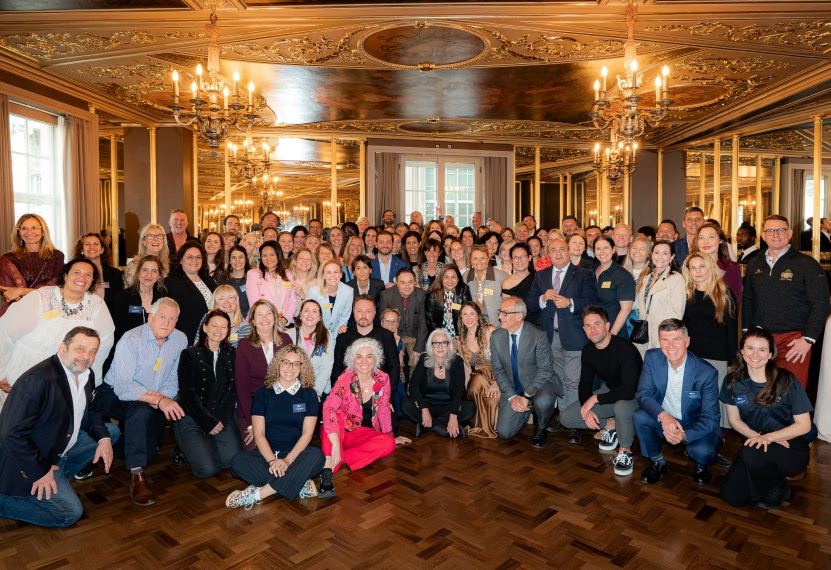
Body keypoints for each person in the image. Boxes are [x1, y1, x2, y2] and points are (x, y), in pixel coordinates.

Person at [0, 327, 119, 528]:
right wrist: (40, 470)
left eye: (92, 351)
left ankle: (57, 479)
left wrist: (103, 439)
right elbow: (11, 434)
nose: (86, 356)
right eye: (80, 349)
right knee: (69, 514)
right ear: (63, 348)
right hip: (28, 460)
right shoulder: (37, 380)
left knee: (111, 433)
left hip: (58, 447)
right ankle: (10, 499)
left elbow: (91, 411)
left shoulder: (86, 374)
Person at [95, 298, 187, 506]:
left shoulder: (180, 339)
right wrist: (160, 400)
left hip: (151, 396)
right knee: (139, 411)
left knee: (150, 453)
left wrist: (162, 397)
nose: (167, 322)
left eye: (172, 318)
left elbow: (173, 378)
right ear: (151, 317)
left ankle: (103, 444)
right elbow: (124, 387)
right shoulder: (131, 339)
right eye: (162, 317)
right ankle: (137, 476)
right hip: (113, 393)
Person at [719, 328, 816, 510]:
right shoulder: (732, 382)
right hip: (756, 440)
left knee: (748, 454)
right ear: (742, 351)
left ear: (770, 353)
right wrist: (757, 437)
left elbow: (804, 425)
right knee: (731, 495)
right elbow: (734, 420)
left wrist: (770, 438)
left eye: (762, 349)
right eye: (750, 348)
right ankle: (769, 479)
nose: (755, 354)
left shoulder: (786, 380)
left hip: (791, 445)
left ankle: (778, 486)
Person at [0, 258, 115, 408]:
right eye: (77, 272)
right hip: (23, 376)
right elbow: (5, 332)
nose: (82, 277)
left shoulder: (96, 305)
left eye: (88, 274)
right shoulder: (41, 297)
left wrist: (89, 377)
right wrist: (2, 373)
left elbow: (104, 344)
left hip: (67, 383)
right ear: (66, 275)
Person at [226, 345, 325, 508]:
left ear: (301, 368)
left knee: (317, 456)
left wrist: (287, 461)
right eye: (286, 362)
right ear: (278, 364)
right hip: (267, 455)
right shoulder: (262, 394)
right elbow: (259, 434)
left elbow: (307, 434)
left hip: (296, 455)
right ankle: (298, 482)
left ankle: (256, 494)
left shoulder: (309, 395)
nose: (290, 368)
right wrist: (273, 460)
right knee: (237, 462)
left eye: (296, 364)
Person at [742, 215, 831, 388]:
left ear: (789, 233)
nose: (776, 234)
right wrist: (748, 334)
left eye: (781, 230)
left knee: (791, 394)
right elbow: (748, 300)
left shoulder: (807, 264)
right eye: (770, 230)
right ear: (763, 235)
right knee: (761, 392)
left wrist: (808, 339)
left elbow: (822, 303)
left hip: (794, 341)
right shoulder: (754, 263)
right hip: (761, 341)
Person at [633, 319, 721, 486]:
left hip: (695, 423)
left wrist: (684, 434)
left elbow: (711, 417)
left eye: (676, 339)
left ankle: (702, 466)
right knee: (639, 416)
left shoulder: (706, 373)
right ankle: (658, 461)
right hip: (667, 417)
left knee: (703, 452)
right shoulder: (652, 357)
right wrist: (663, 415)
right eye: (665, 340)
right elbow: (643, 394)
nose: (670, 345)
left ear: (687, 341)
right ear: (659, 341)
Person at [319, 338, 410, 497]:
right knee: (332, 458)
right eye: (359, 356)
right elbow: (328, 408)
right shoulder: (345, 378)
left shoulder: (383, 379)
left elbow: (383, 409)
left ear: (375, 358)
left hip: (359, 431)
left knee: (389, 444)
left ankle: (340, 457)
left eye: (369, 356)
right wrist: (334, 441)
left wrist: (388, 434)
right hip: (337, 428)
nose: (364, 361)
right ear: (352, 359)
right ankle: (327, 471)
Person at [559, 307, 642, 476]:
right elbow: (585, 384)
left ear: (607, 325)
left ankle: (625, 450)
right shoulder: (588, 351)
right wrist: (586, 409)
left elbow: (628, 390)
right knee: (566, 418)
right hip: (610, 392)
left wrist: (595, 399)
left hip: (635, 396)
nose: (593, 329)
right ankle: (611, 426)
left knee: (621, 408)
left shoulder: (625, 348)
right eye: (588, 326)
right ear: (584, 329)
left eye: (597, 324)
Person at [527, 238, 597, 421]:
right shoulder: (541, 275)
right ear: (548, 254)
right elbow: (529, 303)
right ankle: (563, 418)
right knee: (558, 381)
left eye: (562, 249)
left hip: (574, 336)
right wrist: (542, 298)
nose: (558, 253)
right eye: (553, 250)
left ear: (568, 251)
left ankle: (572, 421)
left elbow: (591, 302)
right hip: (550, 337)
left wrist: (570, 303)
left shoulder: (583, 274)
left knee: (573, 381)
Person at [174, 310, 241, 478]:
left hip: (219, 415)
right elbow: (188, 394)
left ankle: (206, 444)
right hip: (193, 417)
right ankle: (184, 448)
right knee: (208, 470)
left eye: (223, 326)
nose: (218, 329)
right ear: (204, 328)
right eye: (214, 325)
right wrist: (207, 422)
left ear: (228, 331)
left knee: (230, 461)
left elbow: (233, 392)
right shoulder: (189, 354)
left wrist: (221, 420)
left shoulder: (231, 355)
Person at [490, 297, 561, 447]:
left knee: (542, 400)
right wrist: (512, 397)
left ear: (519, 316)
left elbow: (545, 370)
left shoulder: (538, 335)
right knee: (504, 432)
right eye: (500, 312)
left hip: (539, 384)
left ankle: (540, 428)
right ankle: (526, 411)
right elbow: (498, 369)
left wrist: (526, 395)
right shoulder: (496, 336)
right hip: (514, 388)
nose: (499, 316)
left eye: (504, 313)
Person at [683, 252, 737, 431]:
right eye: (693, 267)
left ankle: (716, 437)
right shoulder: (686, 294)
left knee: (715, 400)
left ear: (710, 267)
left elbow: (731, 330)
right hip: (693, 355)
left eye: (702, 266)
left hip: (718, 356)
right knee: (695, 398)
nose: (698, 271)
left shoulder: (724, 293)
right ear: (688, 271)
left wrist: (731, 360)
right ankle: (696, 434)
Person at [235, 300, 292, 451]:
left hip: (281, 405)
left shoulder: (286, 340)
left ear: (275, 317)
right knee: (254, 449)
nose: (265, 318)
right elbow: (242, 387)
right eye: (259, 314)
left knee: (284, 445)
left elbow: (293, 377)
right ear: (253, 320)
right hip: (253, 406)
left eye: (268, 313)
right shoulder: (244, 345)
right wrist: (252, 423)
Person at [331, 295, 401, 416]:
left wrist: (388, 398)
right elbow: (337, 368)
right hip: (350, 396)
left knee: (391, 425)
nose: (363, 316)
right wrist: (340, 397)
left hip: (379, 394)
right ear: (353, 312)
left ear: (374, 313)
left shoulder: (386, 336)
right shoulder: (344, 336)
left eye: (368, 311)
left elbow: (394, 368)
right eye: (359, 311)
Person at [401, 329, 475, 438]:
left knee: (470, 407)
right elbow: (414, 386)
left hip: (448, 407)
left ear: (449, 345)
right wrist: (424, 409)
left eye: (443, 343)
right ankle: (443, 430)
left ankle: (427, 426)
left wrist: (453, 415)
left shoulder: (457, 361)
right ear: (431, 346)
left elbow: (459, 390)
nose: (440, 347)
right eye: (435, 343)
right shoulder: (424, 359)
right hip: (427, 405)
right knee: (405, 403)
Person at [0, 213, 64, 317]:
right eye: (24, 228)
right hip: (19, 311)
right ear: (19, 232)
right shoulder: (7, 259)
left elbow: (57, 289)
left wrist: (22, 290)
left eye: (35, 228)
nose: (29, 232)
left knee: (57, 327)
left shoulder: (57, 256)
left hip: (51, 311)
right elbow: (9, 293)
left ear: (43, 231)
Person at [633, 240, 685, 355]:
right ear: (651, 255)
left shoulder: (676, 279)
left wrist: (666, 334)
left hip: (664, 334)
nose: (660, 256)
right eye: (656, 252)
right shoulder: (647, 277)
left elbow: (677, 312)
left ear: (672, 257)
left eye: (665, 253)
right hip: (645, 333)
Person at [457, 302, 499, 438]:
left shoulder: (490, 330)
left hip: (497, 373)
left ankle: (491, 427)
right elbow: (467, 369)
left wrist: (498, 382)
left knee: (493, 397)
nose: (468, 318)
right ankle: (479, 425)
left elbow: (504, 359)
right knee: (475, 385)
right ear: (461, 318)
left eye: (472, 314)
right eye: (465, 314)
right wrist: (468, 392)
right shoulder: (461, 340)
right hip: (478, 376)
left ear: (478, 316)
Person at [165, 240, 217, 345]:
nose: (194, 260)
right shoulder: (171, 283)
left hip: (210, 336)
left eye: (198, 257)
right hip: (185, 338)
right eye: (189, 257)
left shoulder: (209, 280)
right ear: (180, 260)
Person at [379, 268, 428, 377]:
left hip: (414, 335)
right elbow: (384, 324)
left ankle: (413, 389)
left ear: (414, 282)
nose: (407, 286)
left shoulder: (421, 295)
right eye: (403, 282)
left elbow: (423, 323)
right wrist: (396, 346)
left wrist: (418, 348)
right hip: (394, 335)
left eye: (410, 282)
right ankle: (399, 389)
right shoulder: (386, 295)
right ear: (396, 283)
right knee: (396, 362)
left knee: (416, 362)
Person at [110, 254, 165, 348]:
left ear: (159, 275)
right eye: (145, 270)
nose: (149, 275)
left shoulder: (164, 298)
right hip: (128, 349)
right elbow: (117, 331)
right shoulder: (123, 297)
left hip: (156, 349)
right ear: (138, 273)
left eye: (154, 271)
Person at [245, 240, 294, 331]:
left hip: (285, 324)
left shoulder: (287, 274)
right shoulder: (253, 274)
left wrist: (284, 319)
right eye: (264, 255)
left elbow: (292, 301)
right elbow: (255, 303)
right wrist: (273, 322)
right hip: (262, 323)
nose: (268, 258)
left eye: (272, 255)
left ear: (278, 255)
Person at [592, 236, 635, 337]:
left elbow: (626, 309)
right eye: (598, 248)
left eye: (606, 248)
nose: (602, 252)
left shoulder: (622, 275)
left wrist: (611, 335)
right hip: (595, 331)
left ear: (613, 249)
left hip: (615, 331)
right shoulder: (591, 271)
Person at [690, 222, 742, 301]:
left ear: (720, 240)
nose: (705, 241)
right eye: (701, 238)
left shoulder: (731, 267)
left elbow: (735, 302)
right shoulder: (689, 267)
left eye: (711, 237)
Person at [293, 300, 334, 398]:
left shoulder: (327, 335)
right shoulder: (290, 334)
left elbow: (326, 368)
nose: (310, 314)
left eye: (315, 311)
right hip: (294, 388)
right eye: (306, 310)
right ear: (300, 314)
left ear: (320, 317)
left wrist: (315, 392)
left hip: (318, 389)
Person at [74, 232, 123, 312]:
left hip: (108, 318)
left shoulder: (115, 274)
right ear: (81, 250)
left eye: (96, 244)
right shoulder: (74, 274)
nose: (92, 247)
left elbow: (119, 302)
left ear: (102, 250)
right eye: (87, 244)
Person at [307, 259, 353, 341]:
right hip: (315, 332)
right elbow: (308, 316)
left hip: (337, 334)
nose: (333, 276)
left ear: (341, 274)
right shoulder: (313, 291)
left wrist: (333, 339)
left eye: (336, 272)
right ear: (323, 275)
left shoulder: (348, 291)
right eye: (328, 272)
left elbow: (344, 318)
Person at [193, 284, 251, 349]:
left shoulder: (244, 326)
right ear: (215, 304)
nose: (226, 302)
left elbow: (241, 352)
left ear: (236, 302)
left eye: (230, 297)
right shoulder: (207, 317)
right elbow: (197, 342)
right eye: (221, 298)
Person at [425, 265, 471, 339]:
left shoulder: (463, 290)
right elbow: (430, 321)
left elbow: (467, 316)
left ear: (458, 279)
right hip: (438, 335)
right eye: (446, 277)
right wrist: (441, 338)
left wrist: (459, 338)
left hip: (459, 336)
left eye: (453, 277)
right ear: (441, 279)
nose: (450, 281)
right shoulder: (432, 294)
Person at [465, 244, 507, 324]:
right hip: (474, 323)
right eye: (475, 258)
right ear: (470, 260)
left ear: (488, 259)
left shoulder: (501, 276)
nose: (479, 262)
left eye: (482, 258)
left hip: (496, 323)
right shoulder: (466, 276)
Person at [501, 242, 536, 322]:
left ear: (529, 257)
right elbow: (507, 309)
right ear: (511, 260)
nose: (519, 260)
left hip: (537, 322)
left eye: (523, 256)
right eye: (515, 257)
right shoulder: (507, 282)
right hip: (516, 323)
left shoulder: (538, 277)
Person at [219, 245, 251, 319]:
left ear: (246, 259)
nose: (237, 261)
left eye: (240, 257)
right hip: (227, 320)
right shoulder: (223, 279)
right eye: (233, 258)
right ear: (229, 261)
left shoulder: (252, 278)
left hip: (249, 321)